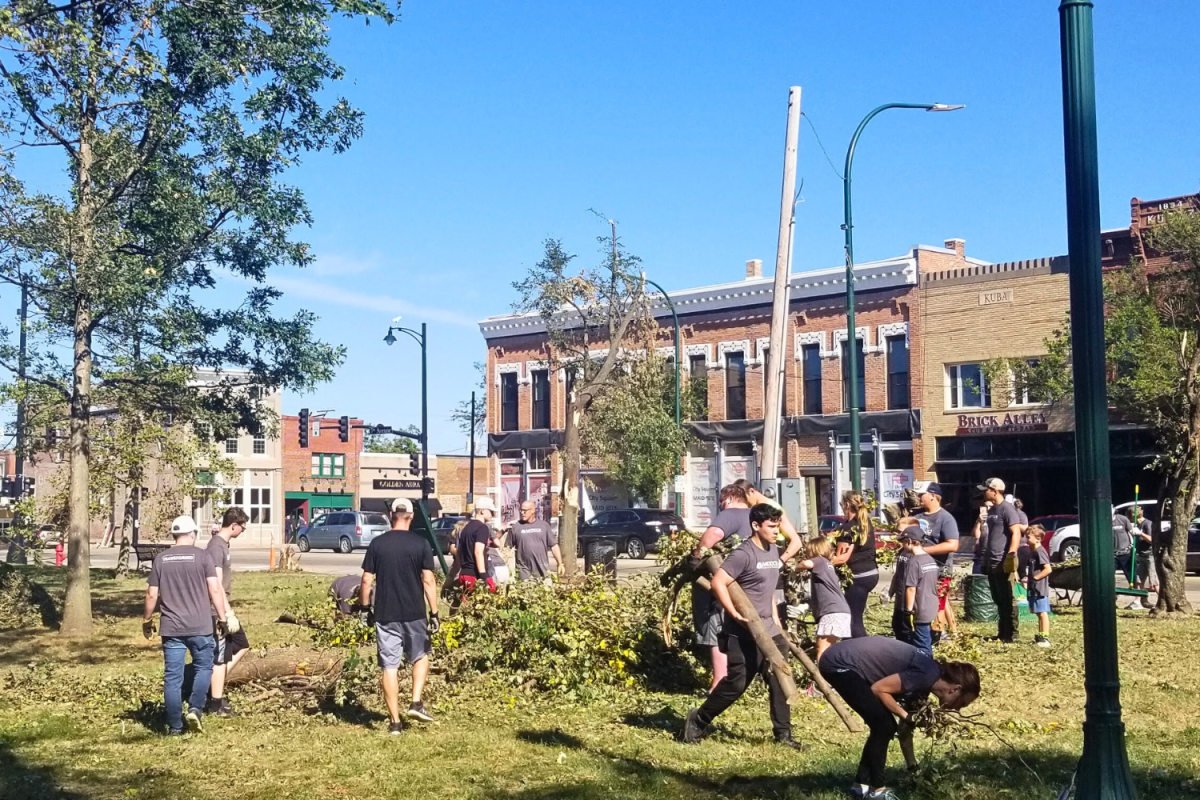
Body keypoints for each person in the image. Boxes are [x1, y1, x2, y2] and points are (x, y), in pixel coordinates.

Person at [683, 503, 805, 750]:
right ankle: (699, 719)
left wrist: (777, 622)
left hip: (769, 629)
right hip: (743, 631)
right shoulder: (743, 553)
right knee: (737, 684)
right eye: (771, 526)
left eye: (777, 526)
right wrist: (734, 613)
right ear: (755, 526)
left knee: (780, 679)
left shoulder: (773, 551)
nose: (776, 531)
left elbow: (766, 590)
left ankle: (784, 735)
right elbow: (719, 583)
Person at [819, 636, 980, 800]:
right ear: (955, 689)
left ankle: (860, 787)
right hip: (839, 663)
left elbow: (905, 731)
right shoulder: (925, 675)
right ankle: (878, 791)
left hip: (847, 663)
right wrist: (905, 715)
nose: (957, 709)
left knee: (883, 725)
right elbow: (879, 689)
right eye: (962, 703)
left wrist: (913, 771)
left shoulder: (926, 683)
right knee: (883, 726)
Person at [142, 515, 237, 735]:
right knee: (204, 667)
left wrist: (146, 620)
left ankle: (175, 727)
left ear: (174, 534)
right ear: (193, 533)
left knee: (173, 677)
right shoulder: (203, 557)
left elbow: (151, 594)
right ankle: (195, 708)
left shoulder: (161, 559)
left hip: (172, 628)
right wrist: (223, 618)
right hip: (201, 626)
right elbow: (215, 589)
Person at [360, 499, 440, 734]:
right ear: (412, 516)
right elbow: (428, 580)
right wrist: (434, 613)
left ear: (390, 514)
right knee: (421, 656)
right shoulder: (421, 543)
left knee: (390, 666)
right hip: (415, 613)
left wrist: (365, 609)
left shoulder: (377, 544)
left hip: (386, 614)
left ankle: (395, 722)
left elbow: (366, 579)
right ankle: (416, 702)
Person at [691, 483, 755, 692]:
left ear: (728, 498)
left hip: (727, 581)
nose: (720, 506)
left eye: (720, 502)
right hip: (750, 580)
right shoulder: (754, 516)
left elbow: (711, 537)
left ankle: (719, 679)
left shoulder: (730, 514)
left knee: (714, 624)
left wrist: (697, 557)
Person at [207, 507, 250, 717]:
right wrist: (227, 613)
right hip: (217, 611)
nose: (243, 530)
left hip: (222, 608)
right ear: (233, 525)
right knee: (220, 657)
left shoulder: (223, 544)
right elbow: (215, 583)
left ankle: (213, 685)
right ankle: (215, 702)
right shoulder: (216, 547)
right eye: (242, 526)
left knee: (241, 645)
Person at [913, 482, 960, 639]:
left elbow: (953, 544)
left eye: (922, 494)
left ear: (933, 496)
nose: (919, 497)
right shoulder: (916, 517)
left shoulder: (946, 518)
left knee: (937, 603)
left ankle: (939, 634)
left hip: (940, 569)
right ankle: (938, 632)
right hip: (919, 569)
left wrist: (923, 550)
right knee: (923, 602)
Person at [979, 478, 1022, 643]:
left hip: (1002, 560)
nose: (984, 492)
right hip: (991, 560)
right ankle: (1002, 632)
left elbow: (1016, 532)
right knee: (998, 598)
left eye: (986, 489)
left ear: (994, 491)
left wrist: (1011, 554)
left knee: (1007, 598)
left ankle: (1012, 634)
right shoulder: (992, 510)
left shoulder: (1007, 509)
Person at [831, 491, 878, 639]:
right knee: (855, 614)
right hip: (871, 573)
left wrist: (818, 562)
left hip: (858, 576)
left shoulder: (849, 528)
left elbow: (841, 558)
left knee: (852, 618)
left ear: (846, 505)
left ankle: (860, 651)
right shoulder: (865, 523)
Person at [797, 535, 850, 661]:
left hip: (832, 612)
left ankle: (822, 677)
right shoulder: (828, 566)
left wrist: (794, 569)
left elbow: (805, 564)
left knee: (822, 650)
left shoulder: (819, 561)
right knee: (830, 649)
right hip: (840, 611)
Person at [892, 525, 938, 656]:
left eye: (903, 542)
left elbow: (911, 589)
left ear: (910, 542)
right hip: (931, 605)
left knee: (921, 644)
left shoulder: (914, 562)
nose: (902, 545)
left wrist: (908, 611)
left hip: (919, 609)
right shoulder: (930, 560)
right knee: (925, 638)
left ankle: (927, 669)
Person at [510, 500, 563, 581]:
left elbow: (554, 545)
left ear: (533, 510)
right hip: (524, 572)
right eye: (521, 510)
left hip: (542, 570)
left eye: (525, 510)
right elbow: (507, 549)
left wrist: (560, 563)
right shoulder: (516, 527)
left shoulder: (544, 526)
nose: (522, 513)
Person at [457, 496, 498, 593]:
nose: (493, 515)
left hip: (464, 574)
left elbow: (459, 553)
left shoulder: (466, 528)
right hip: (474, 575)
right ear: (483, 511)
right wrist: (483, 575)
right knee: (487, 604)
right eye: (491, 512)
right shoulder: (482, 528)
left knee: (468, 606)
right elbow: (478, 551)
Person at [1024, 525, 1052, 647]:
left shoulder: (1040, 552)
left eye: (1028, 537)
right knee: (1037, 612)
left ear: (1038, 539)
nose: (1026, 539)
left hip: (1040, 588)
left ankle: (1045, 637)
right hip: (1034, 588)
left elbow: (1048, 569)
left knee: (1042, 612)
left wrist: (1035, 578)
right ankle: (1040, 635)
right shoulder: (1033, 552)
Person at [1131, 507, 1158, 608]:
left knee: (1154, 581)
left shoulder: (1148, 524)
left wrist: (1140, 533)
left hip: (1150, 555)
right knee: (1139, 580)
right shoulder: (1136, 524)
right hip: (1141, 555)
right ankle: (1137, 602)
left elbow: (1152, 540)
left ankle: (1164, 601)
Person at [1111, 508, 1135, 586]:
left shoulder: (1122, 519)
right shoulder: (1104, 521)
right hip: (1112, 554)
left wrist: (1133, 546)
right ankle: (1112, 594)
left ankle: (1138, 596)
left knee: (1131, 575)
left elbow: (1131, 532)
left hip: (1125, 552)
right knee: (1109, 575)